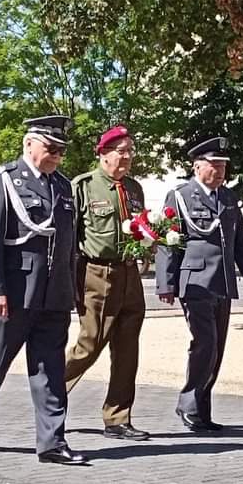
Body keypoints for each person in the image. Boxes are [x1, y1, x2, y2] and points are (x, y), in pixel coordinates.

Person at [0, 115, 87, 465]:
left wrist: (71, 290)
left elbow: (68, 245)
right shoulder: (4, 180)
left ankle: (52, 442)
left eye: (61, 150)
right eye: (51, 148)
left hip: (52, 294)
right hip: (14, 294)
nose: (57, 155)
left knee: (51, 369)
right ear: (29, 144)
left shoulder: (62, 186)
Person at [155, 137, 243, 432]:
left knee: (217, 348)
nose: (219, 172)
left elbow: (240, 240)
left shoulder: (227, 198)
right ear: (197, 166)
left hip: (223, 281)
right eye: (214, 165)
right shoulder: (180, 196)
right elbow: (167, 242)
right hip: (195, 282)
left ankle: (201, 410)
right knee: (205, 343)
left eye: (223, 166)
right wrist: (165, 282)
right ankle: (188, 404)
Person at [64, 125, 150, 441]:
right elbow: (69, 239)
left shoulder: (134, 188)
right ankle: (50, 401)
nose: (127, 157)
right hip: (96, 275)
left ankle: (117, 418)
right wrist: (70, 284)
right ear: (103, 154)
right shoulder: (83, 187)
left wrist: (149, 243)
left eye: (130, 150)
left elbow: (140, 227)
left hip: (129, 275)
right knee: (89, 345)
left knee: (128, 350)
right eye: (121, 151)